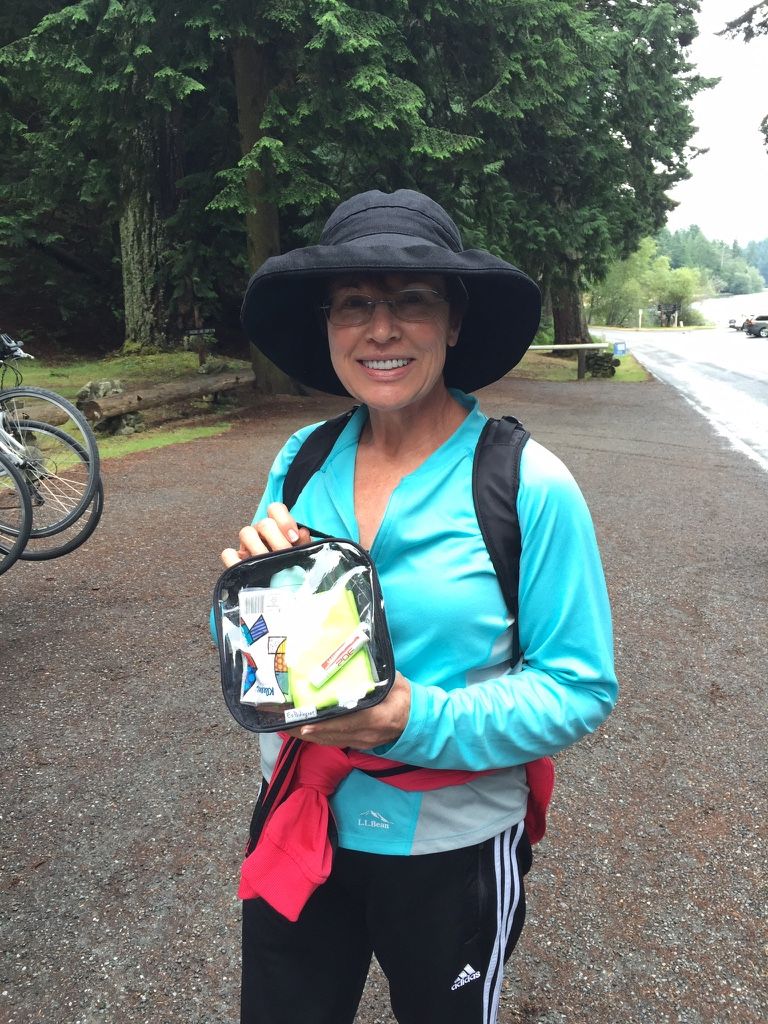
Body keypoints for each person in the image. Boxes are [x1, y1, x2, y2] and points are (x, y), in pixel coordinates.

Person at [220, 189, 618, 1024]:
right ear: (329, 325)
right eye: (356, 304)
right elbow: (277, 649)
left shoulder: (526, 484)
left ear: (455, 320)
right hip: (301, 821)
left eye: (412, 301)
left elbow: (580, 686)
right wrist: (255, 610)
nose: (382, 329)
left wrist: (409, 720)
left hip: (451, 848)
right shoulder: (303, 459)